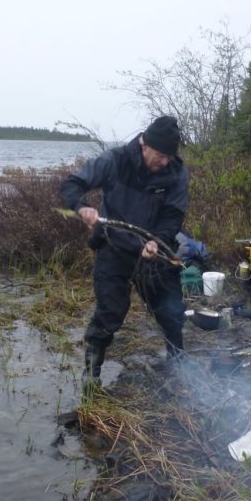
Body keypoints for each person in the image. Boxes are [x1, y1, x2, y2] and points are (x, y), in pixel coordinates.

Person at [60, 116, 190, 388]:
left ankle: (177, 364)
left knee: (171, 311)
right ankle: (91, 376)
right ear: (145, 145)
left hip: (154, 251)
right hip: (114, 247)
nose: (165, 162)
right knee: (110, 312)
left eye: (170, 156)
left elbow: (173, 215)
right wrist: (82, 207)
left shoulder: (176, 172)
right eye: (161, 155)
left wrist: (158, 240)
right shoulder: (115, 161)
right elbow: (71, 185)